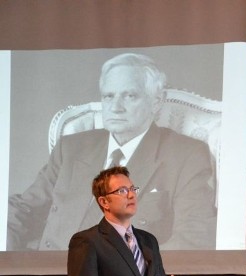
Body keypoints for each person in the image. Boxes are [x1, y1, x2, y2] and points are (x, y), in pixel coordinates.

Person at [8, 52, 217, 251]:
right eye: (108, 96)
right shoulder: (71, 148)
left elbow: (193, 238)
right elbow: (23, 209)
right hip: (50, 274)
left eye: (130, 96)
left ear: (156, 102)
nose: (115, 107)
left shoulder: (186, 155)